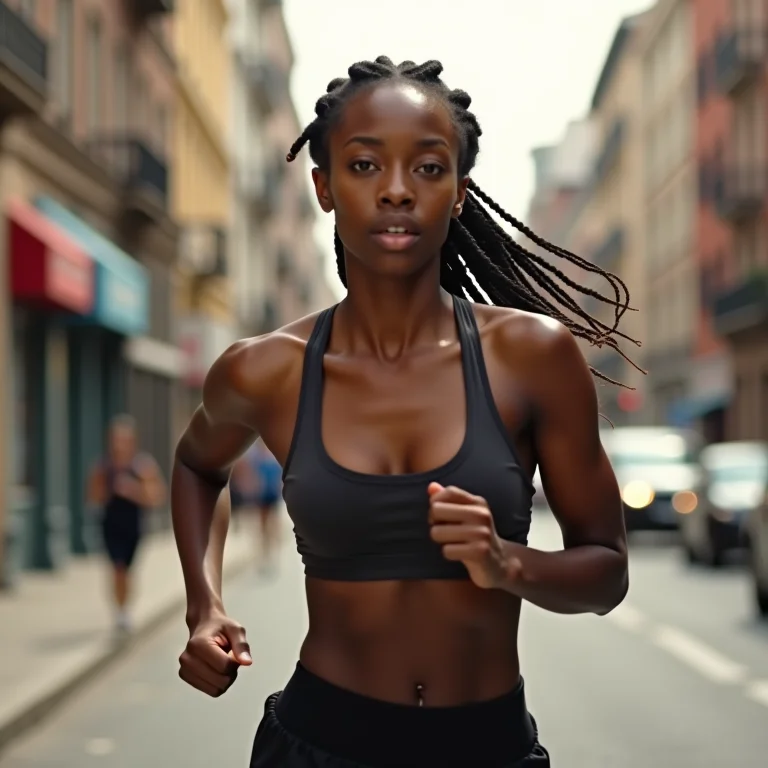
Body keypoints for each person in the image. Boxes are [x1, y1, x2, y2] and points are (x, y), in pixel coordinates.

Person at [172, 57, 634, 767]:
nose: (395, 191)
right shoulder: (265, 369)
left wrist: (508, 563)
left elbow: (607, 572)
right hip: (319, 743)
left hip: (488, 749)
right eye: (363, 166)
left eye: (426, 168)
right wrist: (205, 605)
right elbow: (198, 466)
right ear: (323, 187)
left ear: (458, 192)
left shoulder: (532, 356)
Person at [88, 414, 166, 633]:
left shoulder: (142, 466)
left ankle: (125, 608)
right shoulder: (103, 466)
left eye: (124, 439)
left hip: (133, 524)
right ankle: (119, 612)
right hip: (111, 525)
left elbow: (157, 497)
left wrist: (133, 490)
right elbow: (93, 497)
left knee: (128, 570)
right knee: (117, 568)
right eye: (115, 439)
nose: (119, 444)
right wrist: (104, 491)